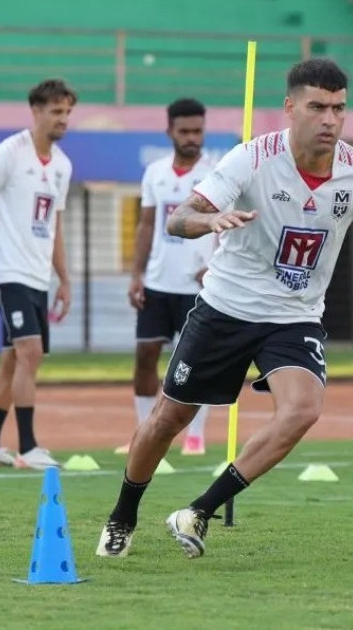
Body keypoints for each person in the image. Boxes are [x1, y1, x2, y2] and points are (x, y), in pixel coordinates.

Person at [96, 58, 353, 560]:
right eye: (317, 107)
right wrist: (209, 223)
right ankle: (122, 515)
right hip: (226, 309)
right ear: (290, 108)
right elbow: (180, 216)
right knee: (169, 418)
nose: (330, 120)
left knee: (303, 410)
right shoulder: (249, 159)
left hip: (295, 316)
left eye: (339, 108)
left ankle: (198, 511)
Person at [0, 79, 76, 471]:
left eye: (67, 112)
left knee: (14, 360)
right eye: (55, 111)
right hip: (8, 272)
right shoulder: (9, 153)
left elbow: (55, 226)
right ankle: (28, 448)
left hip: (37, 278)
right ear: (35, 111)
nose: (62, 119)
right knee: (30, 353)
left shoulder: (62, 165)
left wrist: (64, 279)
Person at [121, 98, 217, 457]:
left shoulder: (214, 174)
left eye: (198, 131)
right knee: (145, 355)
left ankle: (196, 435)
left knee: (196, 363)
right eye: (185, 131)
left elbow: (227, 229)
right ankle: (144, 428)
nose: (192, 138)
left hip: (199, 285)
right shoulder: (155, 173)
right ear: (170, 132)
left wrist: (216, 267)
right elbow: (146, 225)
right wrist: (136, 274)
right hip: (158, 282)